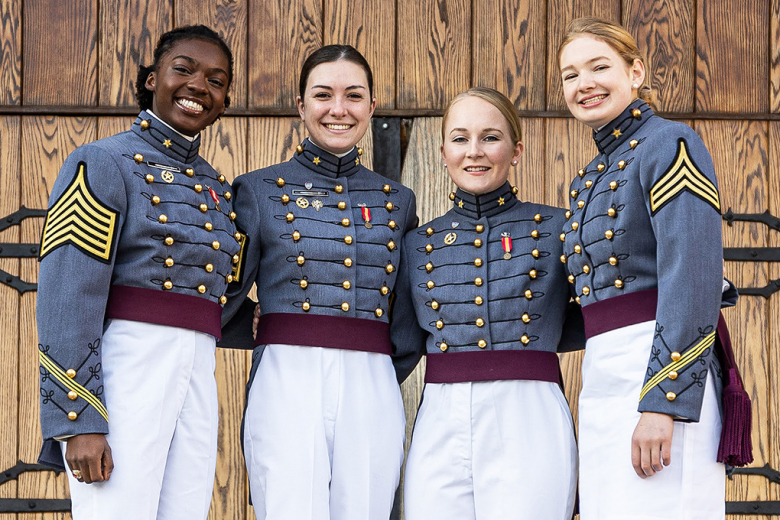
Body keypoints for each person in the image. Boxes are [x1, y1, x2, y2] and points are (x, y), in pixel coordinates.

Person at [36, 25, 240, 520]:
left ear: (224, 100)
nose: (198, 86)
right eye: (184, 69)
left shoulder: (215, 184)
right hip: (127, 370)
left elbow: (213, 295)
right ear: (152, 79)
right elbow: (66, 296)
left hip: (198, 372)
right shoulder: (100, 161)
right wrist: (78, 417)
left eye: (215, 80)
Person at [557, 17, 748, 519]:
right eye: (570, 75)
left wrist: (664, 400)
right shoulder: (587, 179)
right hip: (604, 377)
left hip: (659, 371)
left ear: (635, 71)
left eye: (600, 67)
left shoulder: (671, 143)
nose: (585, 84)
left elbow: (693, 273)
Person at [221, 45, 418, 520]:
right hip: (286, 378)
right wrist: (260, 325)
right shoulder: (258, 190)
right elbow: (219, 294)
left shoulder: (398, 200)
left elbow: (408, 316)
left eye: (354, 96)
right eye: (323, 94)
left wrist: (375, 371)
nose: (338, 109)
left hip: (373, 380)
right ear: (301, 104)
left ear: (372, 107)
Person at [390, 87, 582, 520]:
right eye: (460, 139)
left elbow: (597, 311)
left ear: (516, 150)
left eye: (490, 137)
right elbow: (400, 343)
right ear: (443, 152)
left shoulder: (558, 228)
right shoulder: (417, 245)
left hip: (530, 417)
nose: (474, 152)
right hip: (439, 418)